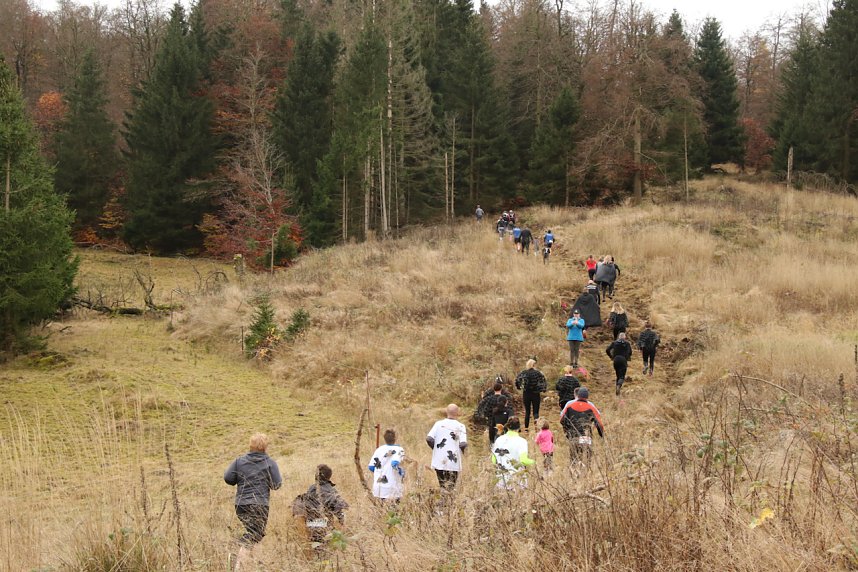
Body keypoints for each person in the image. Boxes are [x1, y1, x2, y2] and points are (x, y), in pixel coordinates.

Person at [224, 433, 282, 557]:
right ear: (266, 447)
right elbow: (276, 485)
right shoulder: (270, 463)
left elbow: (228, 479)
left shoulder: (239, 461)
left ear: (250, 445)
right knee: (253, 535)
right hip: (260, 504)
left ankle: (256, 565)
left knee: (257, 535)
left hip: (241, 504)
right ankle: (239, 565)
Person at [293, 464, 349, 545]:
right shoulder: (331, 491)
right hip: (325, 524)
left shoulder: (311, 488)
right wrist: (342, 522)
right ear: (329, 476)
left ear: (316, 476)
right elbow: (337, 509)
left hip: (309, 523)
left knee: (317, 545)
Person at [426, 404, 468, 490]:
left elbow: (429, 438)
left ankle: (443, 500)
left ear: (446, 411)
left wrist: (435, 449)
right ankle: (449, 502)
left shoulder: (438, 424)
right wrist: (464, 454)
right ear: (457, 413)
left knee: (442, 486)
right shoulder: (460, 426)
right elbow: (463, 444)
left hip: (440, 460)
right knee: (451, 487)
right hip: (454, 461)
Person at [559, 388, 604, 461]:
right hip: (587, 436)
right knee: (588, 459)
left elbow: (562, 420)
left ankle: (574, 471)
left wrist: (567, 431)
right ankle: (587, 471)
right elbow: (599, 424)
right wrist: (602, 435)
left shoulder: (569, 406)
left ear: (578, 395)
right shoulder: (591, 407)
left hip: (573, 435)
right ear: (587, 397)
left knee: (574, 459)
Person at [491, 417, 535, 489]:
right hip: (517, 482)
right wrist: (534, 462)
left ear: (507, 427)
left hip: (501, 480)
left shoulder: (499, 440)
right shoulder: (522, 441)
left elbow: (494, 460)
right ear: (519, 428)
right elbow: (523, 460)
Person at [368, 429, 406, 502]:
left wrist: (379, 472)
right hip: (393, 487)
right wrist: (401, 473)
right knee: (394, 510)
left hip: (378, 487)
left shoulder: (379, 449)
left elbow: (371, 467)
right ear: (395, 438)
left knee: (381, 509)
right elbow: (394, 463)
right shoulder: (399, 449)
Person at [514, 358, 547, 431]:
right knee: (536, 412)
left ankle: (526, 428)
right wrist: (542, 389)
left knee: (527, 411)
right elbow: (543, 382)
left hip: (526, 394)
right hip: (536, 394)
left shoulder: (523, 373)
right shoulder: (538, 373)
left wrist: (519, 388)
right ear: (534, 365)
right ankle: (536, 428)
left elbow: (517, 381)